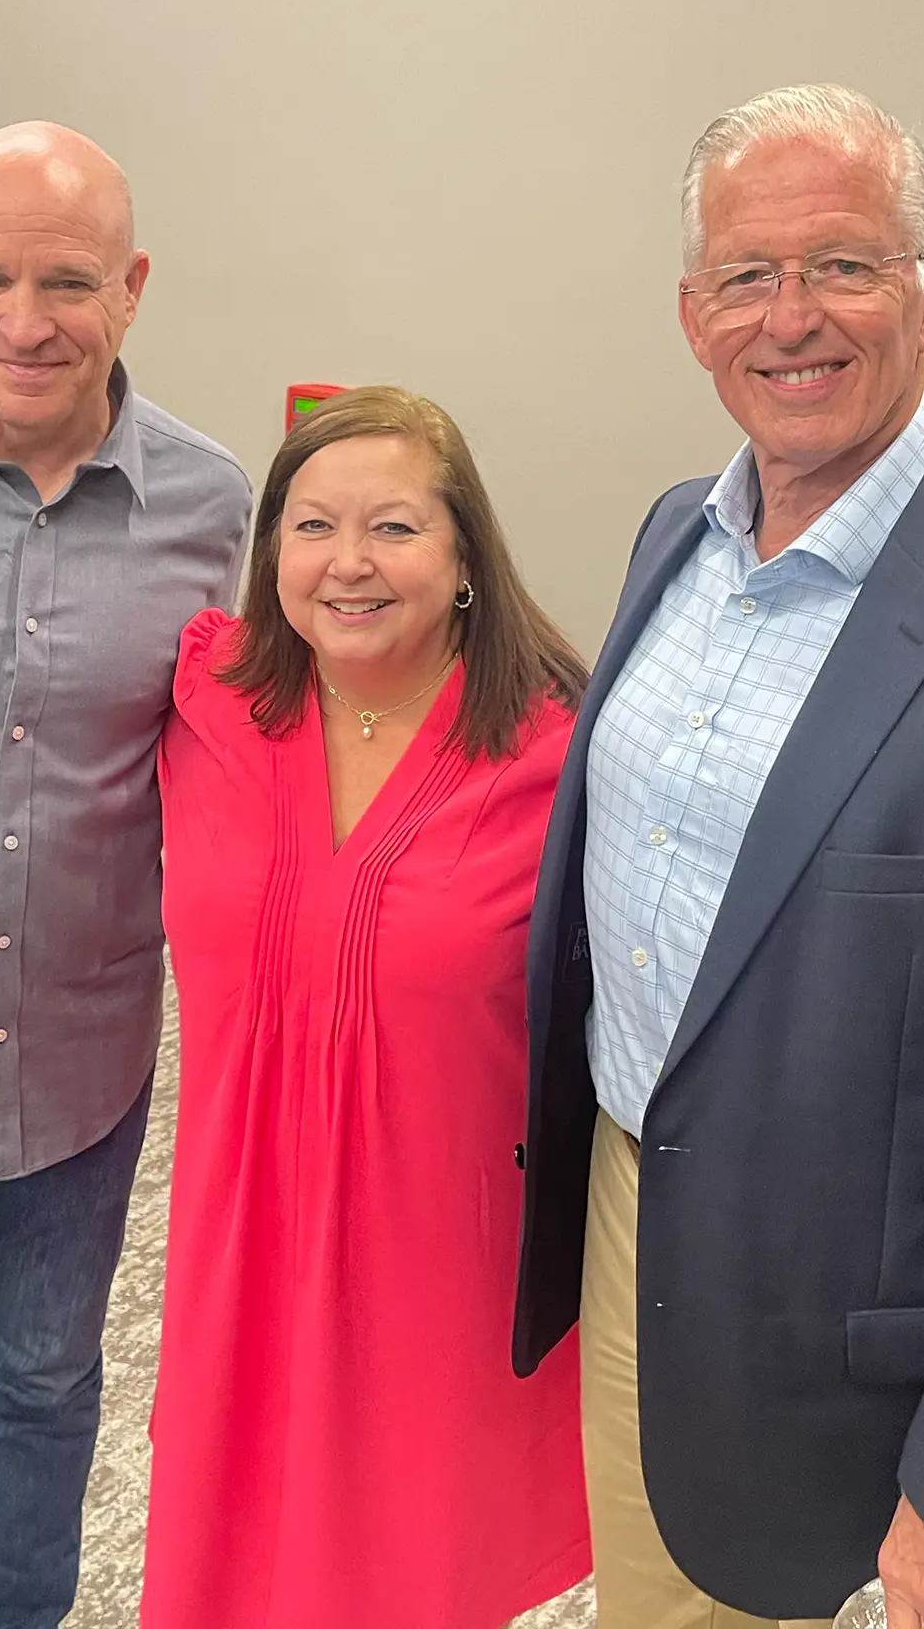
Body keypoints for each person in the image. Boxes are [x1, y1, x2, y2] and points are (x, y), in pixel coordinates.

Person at [514, 83, 924, 1629]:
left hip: (865, 1321)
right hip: (634, 1211)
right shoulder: (676, 538)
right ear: (693, 316)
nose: (790, 319)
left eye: (841, 265)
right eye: (746, 277)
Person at [140, 386, 591, 1629]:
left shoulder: (558, 756)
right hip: (238, 1230)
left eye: (394, 527)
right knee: (228, 1545)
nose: (348, 562)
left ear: (466, 561)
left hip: (436, 1251)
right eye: (312, 526)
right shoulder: (209, 700)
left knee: (407, 1561)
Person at [0, 121, 252, 1628]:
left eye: (69, 282)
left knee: (40, 1387)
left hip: (75, 1044)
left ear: (134, 285)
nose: (23, 323)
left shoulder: (210, 505)